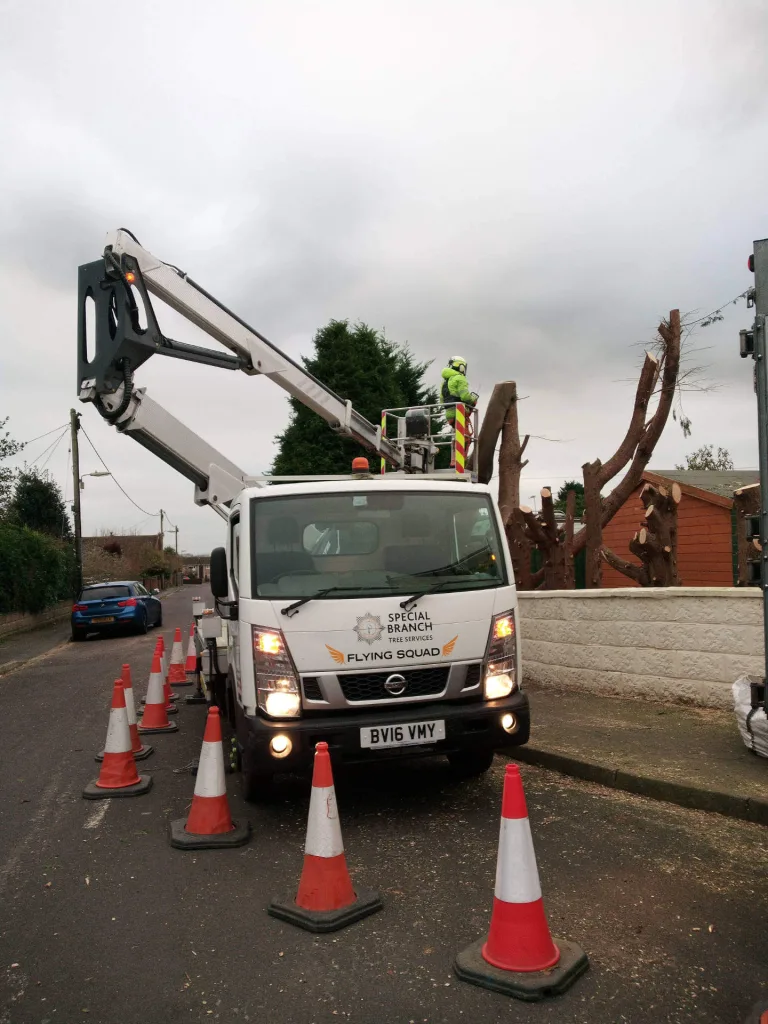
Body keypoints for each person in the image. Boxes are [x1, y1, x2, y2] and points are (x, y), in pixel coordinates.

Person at [440, 356, 478, 428]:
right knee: (465, 438)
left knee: (457, 435)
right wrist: (473, 400)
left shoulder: (444, 382)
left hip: (448, 414)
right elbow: (465, 397)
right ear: (461, 367)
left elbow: (441, 401)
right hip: (459, 411)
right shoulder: (460, 378)